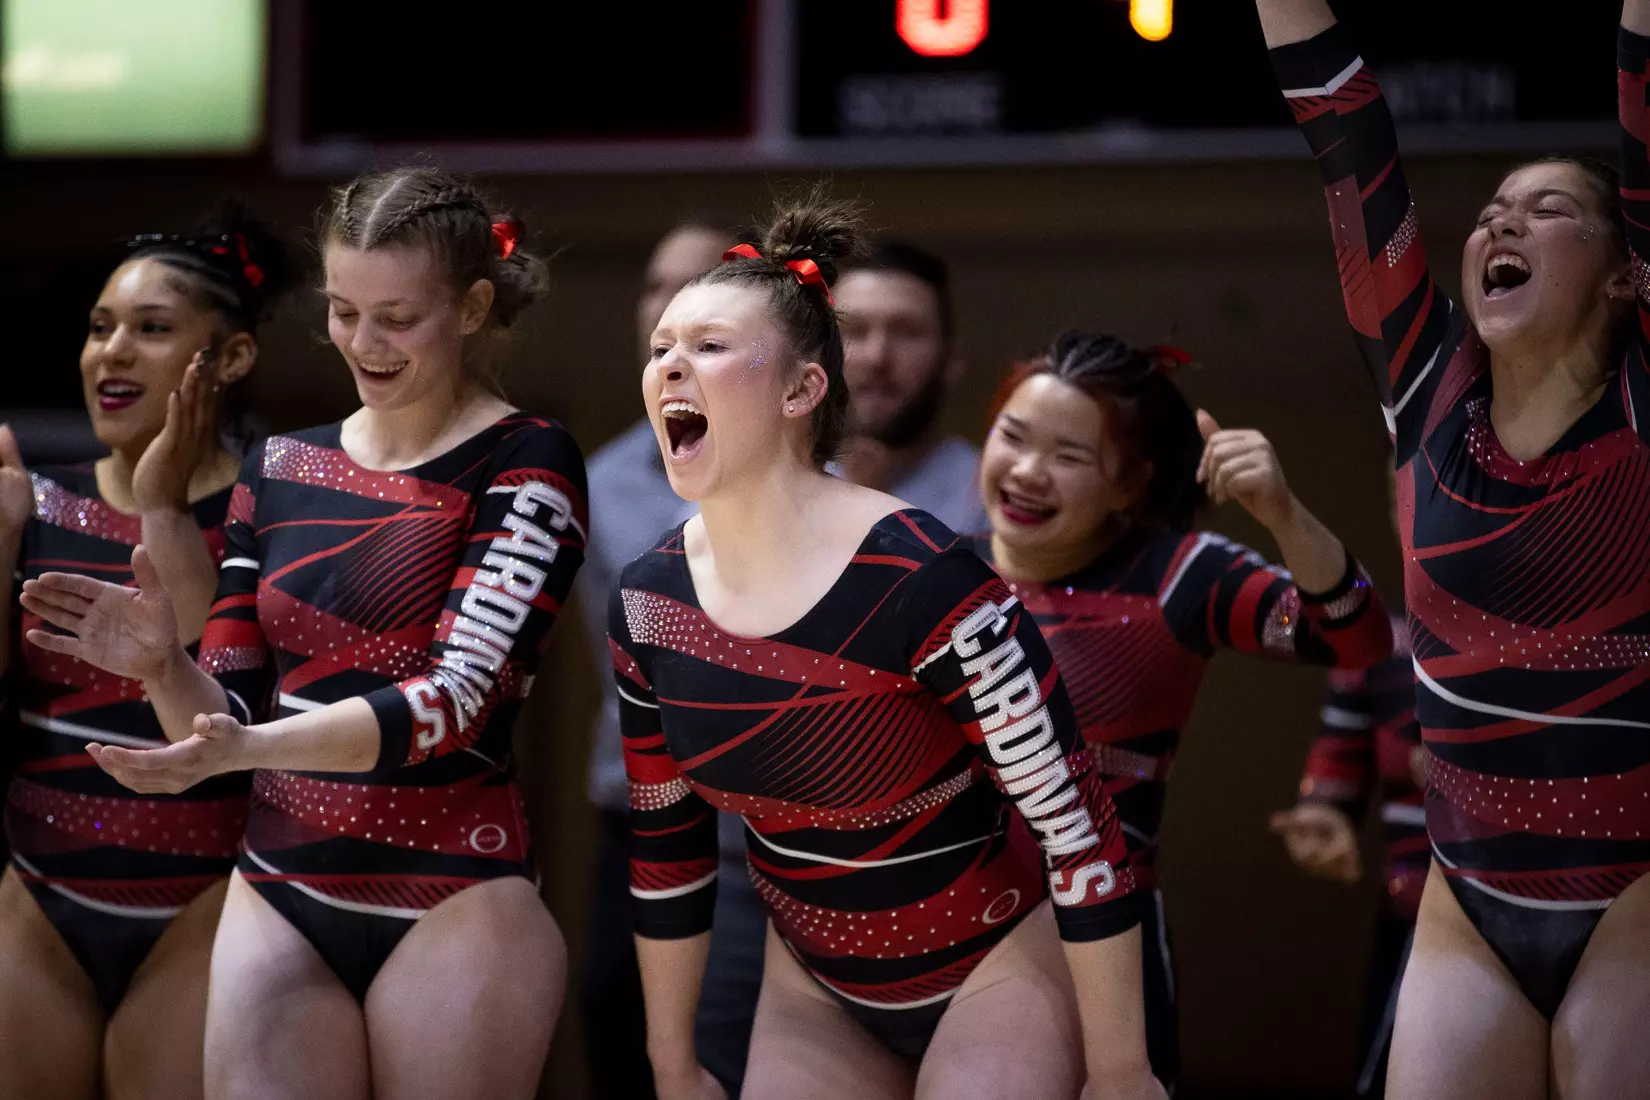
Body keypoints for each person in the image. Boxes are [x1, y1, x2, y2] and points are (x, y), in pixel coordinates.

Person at [20, 167, 583, 1100]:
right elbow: (227, 708)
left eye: (398, 317)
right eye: (343, 311)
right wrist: (164, 667)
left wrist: (248, 745)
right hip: (278, 888)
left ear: (475, 305)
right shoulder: (283, 464)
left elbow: (457, 703)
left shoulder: (527, 458)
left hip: (449, 889)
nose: (365, 343)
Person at [612, 188, 1166, 1100]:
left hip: (996, 971)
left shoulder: (923, 574)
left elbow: (1077, 827)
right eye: (661, 347)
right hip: (812, 993)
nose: (672, 366)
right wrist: (672, 1064)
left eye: (708, 347)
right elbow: (667, 852)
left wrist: (1120, 1072)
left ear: (802, 389)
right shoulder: (648, 599)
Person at [1257, 1, 1650, 1095]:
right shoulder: (1425, 389)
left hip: (1636, 896)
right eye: (1490, 212)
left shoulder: (1641, 401)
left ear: (1627, 275)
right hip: (1464, 901)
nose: (1500, 226)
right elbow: (1346, 136)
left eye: (1549, 209)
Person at [971, 331, 1394, 1089]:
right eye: (1013, 436)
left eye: (1070, 457)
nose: (1028, 472)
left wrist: (1282, 510)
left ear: (1130, 484)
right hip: (941, 932)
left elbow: (1357, 637)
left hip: (1099, 947)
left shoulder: (1180, 575)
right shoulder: (937, 572)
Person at [0, 204, 299, 1100]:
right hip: (38, 889)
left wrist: (164, 503)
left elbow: (216, 722)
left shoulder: (273, 510)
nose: (112, 352)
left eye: (152, 329)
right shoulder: (32, 503)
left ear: (232, 357)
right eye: (100, 328)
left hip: (205, 900)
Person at [578, 218, 755, 1100]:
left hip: (770, 833)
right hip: (638, 820)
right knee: (620, 1032)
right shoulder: (600, 479)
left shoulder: (820, 482)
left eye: (698, 293)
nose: (672, 311)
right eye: (657, 294)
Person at [1271, 465, 1424, 1098]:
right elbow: (1332, 784)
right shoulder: (1379, 651)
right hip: (1416, 934)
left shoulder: (1598, 654)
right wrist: (1322, 821)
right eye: (1411, 503)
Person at [834, 242, 989, 535]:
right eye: (853, 331)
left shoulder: (992, 497)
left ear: (951, 360)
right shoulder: (772, 483)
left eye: (906, 333)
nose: (876, 357)